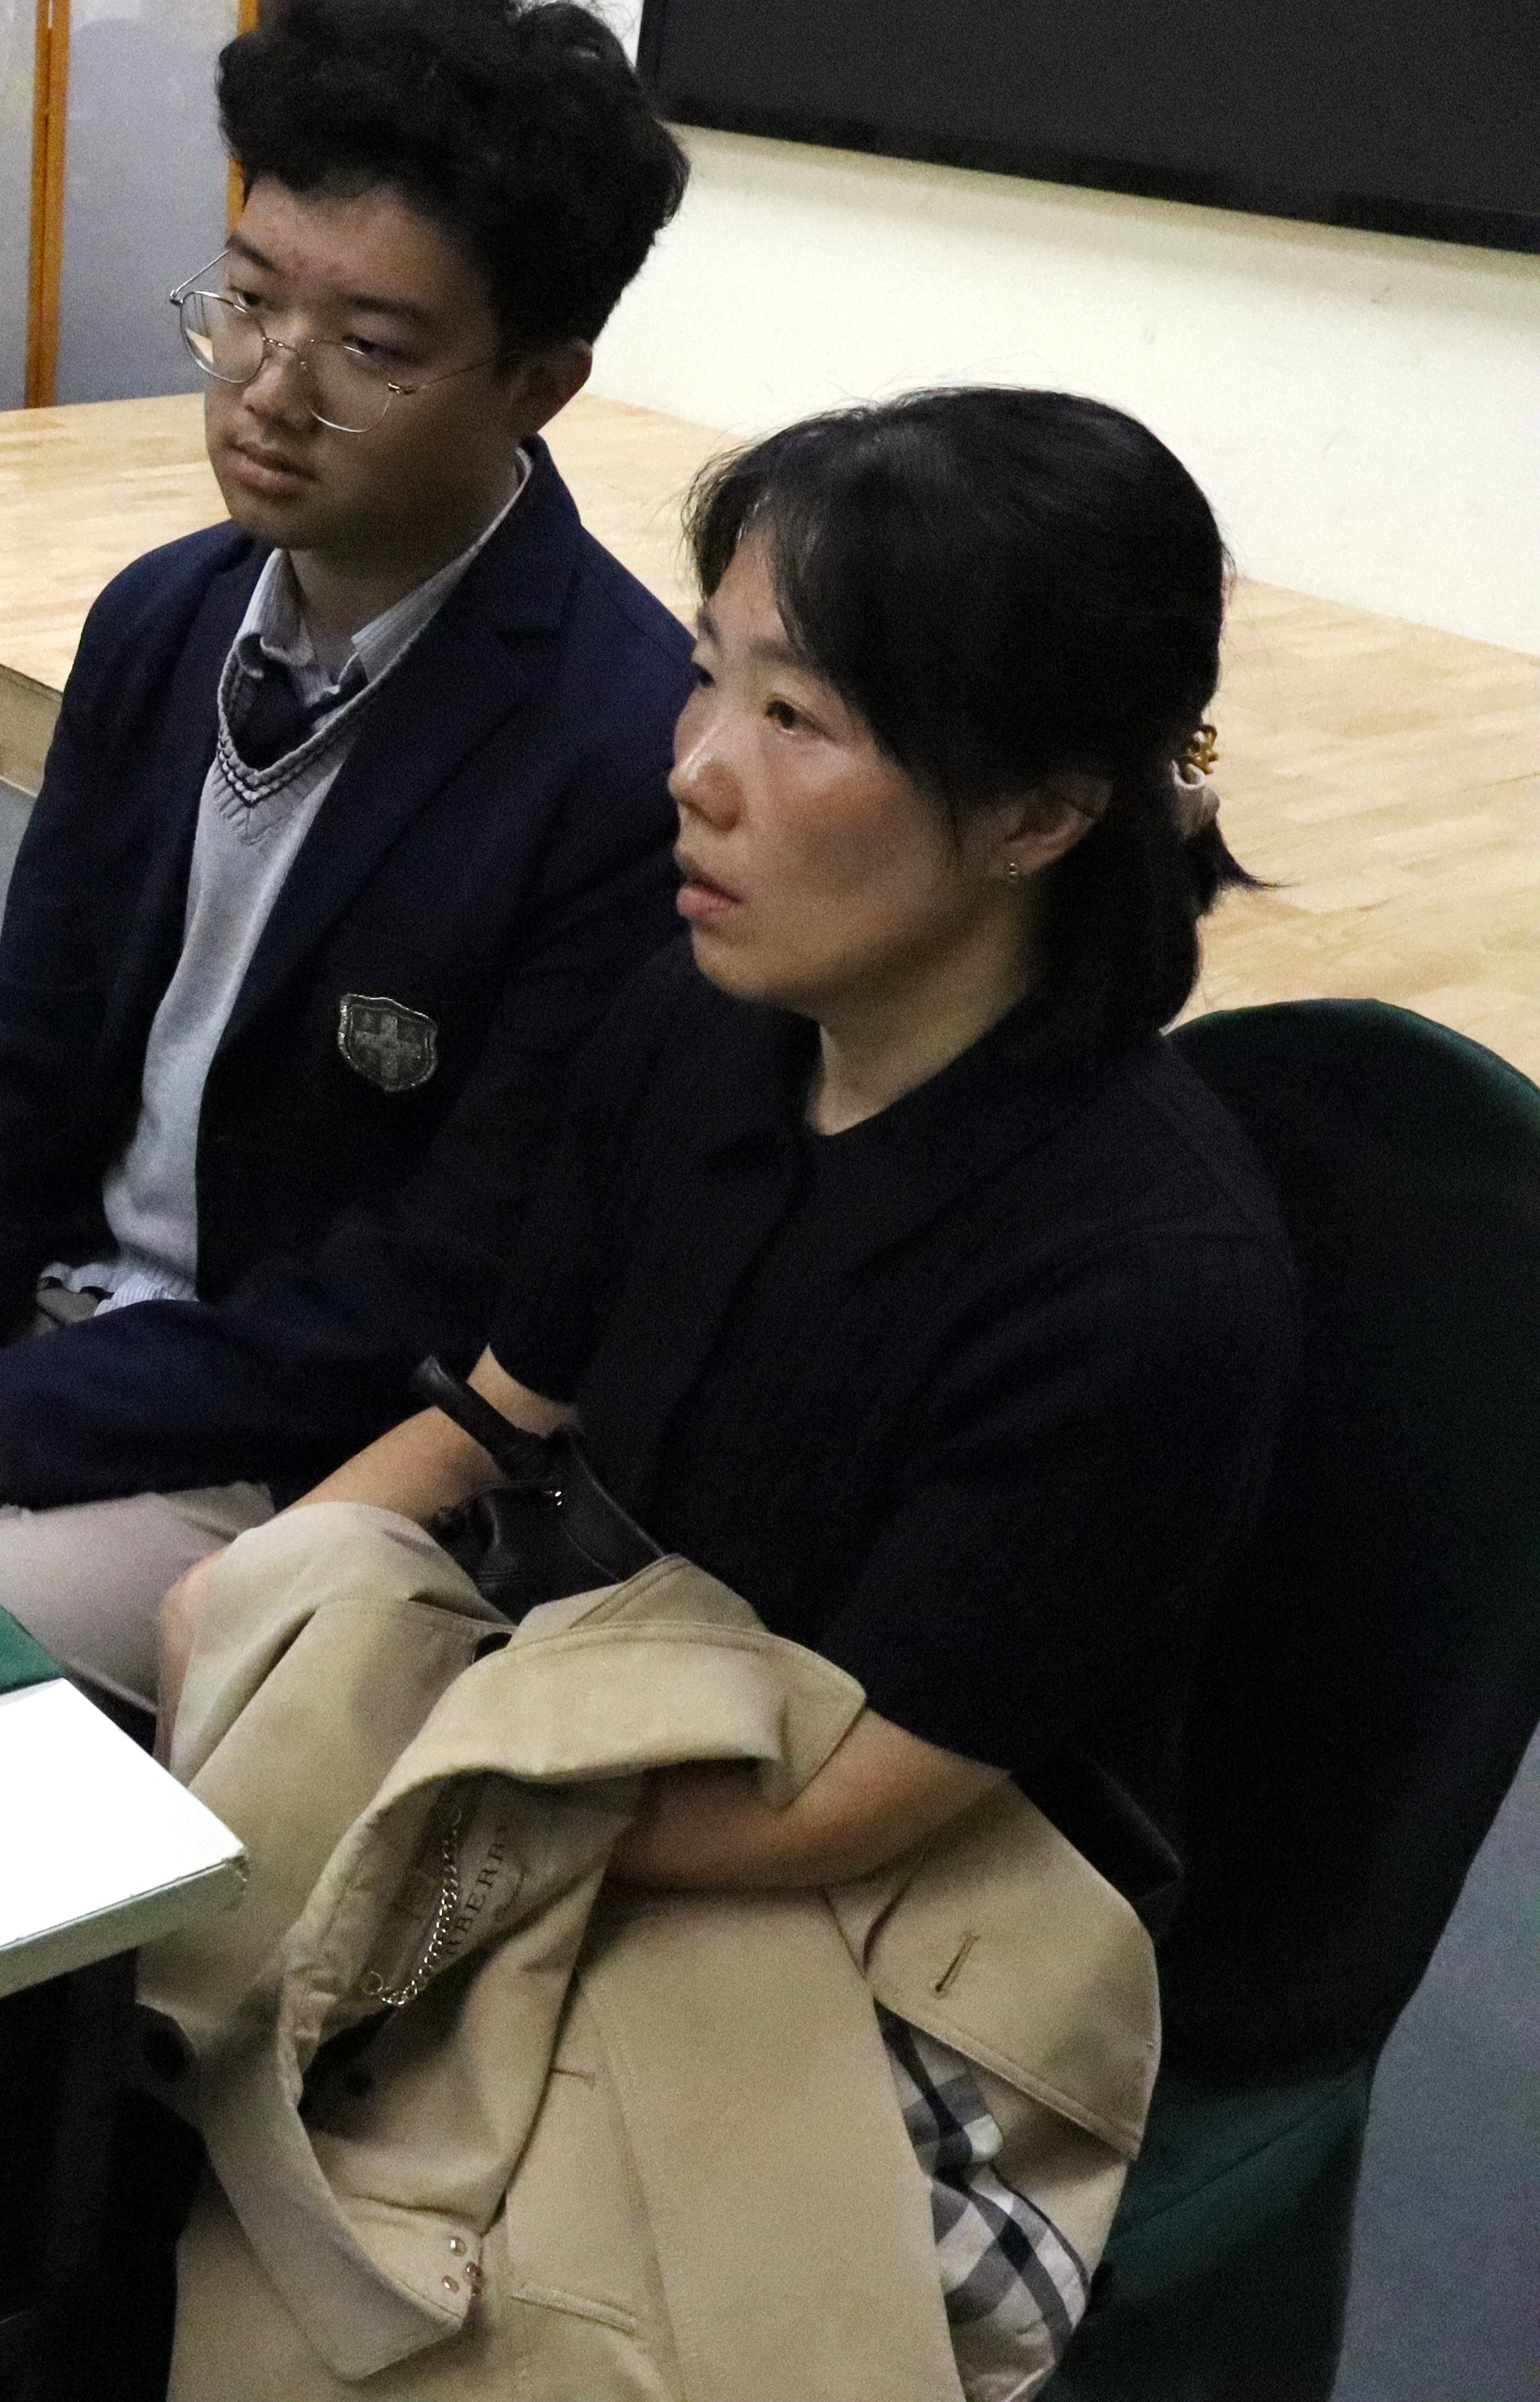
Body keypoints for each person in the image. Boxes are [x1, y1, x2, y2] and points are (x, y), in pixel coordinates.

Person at [172, 384, 1296, 1910]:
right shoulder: (691, 1022)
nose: (695, 769)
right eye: (709, 678)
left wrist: (418, 1835)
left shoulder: (1143, 1283)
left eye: (793, 719)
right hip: (590, 1708)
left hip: (854, 1897)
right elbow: (505, 1405)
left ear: (1037, 816)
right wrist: (246, 1596)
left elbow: (845, 1807)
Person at [0, 0, 692, 1716]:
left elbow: (448, 1286)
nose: (268, 387)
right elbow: (22, 1038)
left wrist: (0, 1421)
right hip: (39, 1309)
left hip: (298, 1441)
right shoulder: (166, 618)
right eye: (250, 300)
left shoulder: (619, 758)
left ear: (541, 383)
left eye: (370, 346)